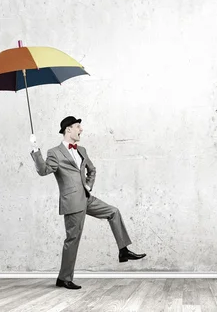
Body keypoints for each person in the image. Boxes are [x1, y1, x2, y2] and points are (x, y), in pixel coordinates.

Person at [30, 115, 146, 290]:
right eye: (78, 126)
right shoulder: (54, 152)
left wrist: (89, 186)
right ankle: (64, 278)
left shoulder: (81, 149)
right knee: (73, 239)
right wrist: (35, 150)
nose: (81, 129)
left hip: (86, 197)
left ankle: (123, 250)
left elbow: (92, 169)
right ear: (68, 129)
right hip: (72, 202)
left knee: (113, 211)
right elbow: (44, 170)